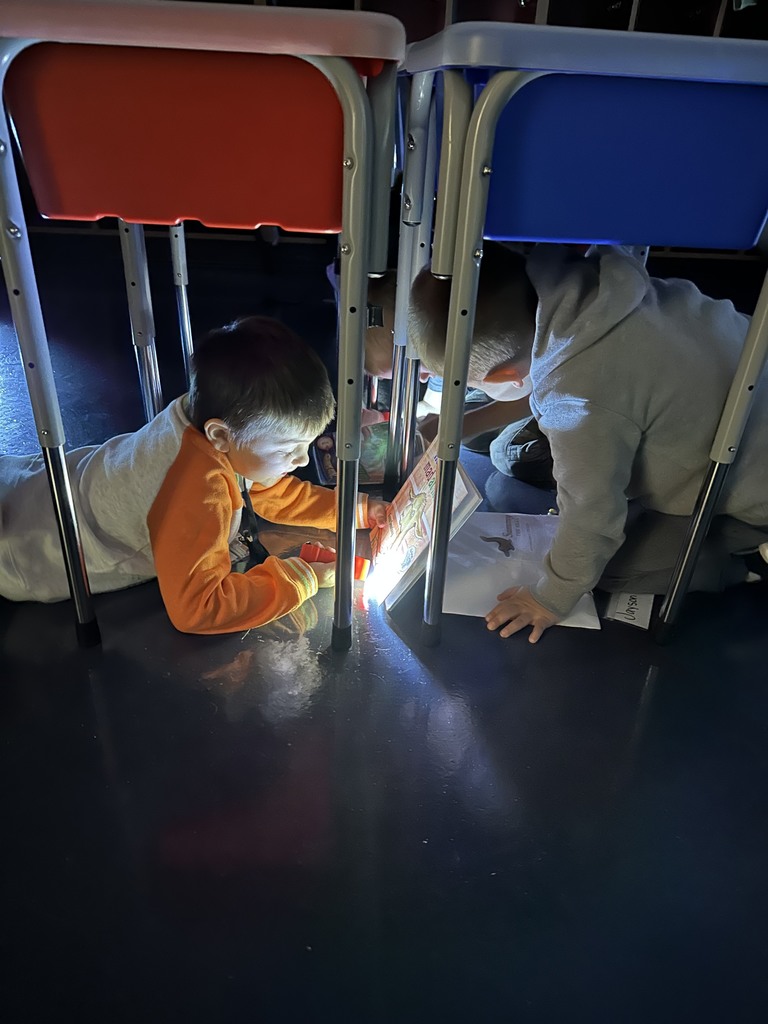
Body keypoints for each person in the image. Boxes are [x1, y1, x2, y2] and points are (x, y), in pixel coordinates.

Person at [409, 242, 768, 643]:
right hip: (741, 380)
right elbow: (566, 380)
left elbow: (592, 514)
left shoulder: (579, 399)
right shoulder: (592, 283)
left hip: (751, 492)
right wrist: (459, 424)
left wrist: (551, 596)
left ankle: (743, 556)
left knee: (608, 567)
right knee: (506, 452)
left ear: (505, 375)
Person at [0, 316, 388, 634]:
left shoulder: (210, 416)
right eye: (287, 450)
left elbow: (269, 490)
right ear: (221, 435)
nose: (303, 460)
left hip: (44, 483)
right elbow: (198, 608)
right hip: (31, 550)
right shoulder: (198, 489)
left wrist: (359, 511)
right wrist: (302, 577)